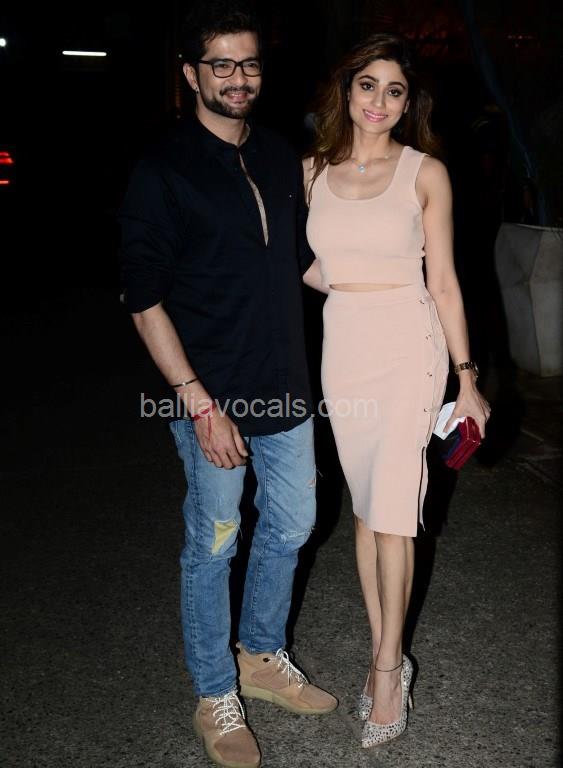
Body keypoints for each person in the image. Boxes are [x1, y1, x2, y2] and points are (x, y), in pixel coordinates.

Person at [119, 3, 337, 767]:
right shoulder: (163, 171)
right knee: (214, 543)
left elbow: (300, 265)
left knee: (292, 525)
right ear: (191, 74)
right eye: (221, 64)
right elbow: (143, 300)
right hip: (210, 396)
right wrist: (199, 404)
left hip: (285, 389)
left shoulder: (278, 157)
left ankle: (261, 656)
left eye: (248, 63)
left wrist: (388, 293)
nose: (238, 77)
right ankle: (215, 692)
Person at [303, 34, 490, 747]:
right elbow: (298, 261)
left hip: (410, 345)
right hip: (344, 346)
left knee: (393, 513)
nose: (379, 101)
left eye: (395, 90)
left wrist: (466, 379)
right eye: (368, 85)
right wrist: (341, 284)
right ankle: (386, 648)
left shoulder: (424, 173)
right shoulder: (310, 171)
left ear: (409, 103)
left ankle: (387, 667)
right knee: (365, 511)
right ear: (345, 89)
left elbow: (444, 281)